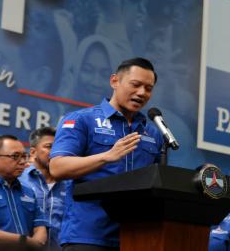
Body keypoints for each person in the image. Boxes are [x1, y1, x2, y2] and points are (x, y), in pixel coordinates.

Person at [49, 57, 163, 250]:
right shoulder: (82, 119)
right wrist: (107, 156)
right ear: (114, 81)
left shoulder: (152, 132)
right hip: (89, 235)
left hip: (137, 237)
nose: (142, 93)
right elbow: (57, 167)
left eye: (148, 88)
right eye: (135, 85)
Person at [20, 127, 67, 250]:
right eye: (49, 146)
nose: (55, 151)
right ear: (33, 152)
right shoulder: (19, 180)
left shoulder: (70, 183)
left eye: (58, 146)